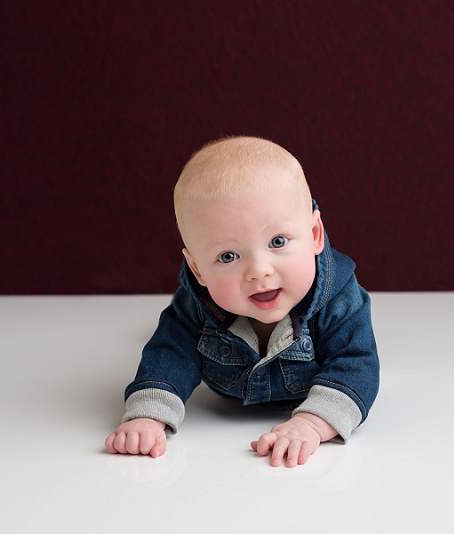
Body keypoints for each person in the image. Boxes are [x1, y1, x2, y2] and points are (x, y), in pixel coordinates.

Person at [105, 136, 379, 467]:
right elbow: (169, 354)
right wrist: (147, 417)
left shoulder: (340, 300)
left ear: (315, 234)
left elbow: (356, 363)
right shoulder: (197, 305)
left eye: (277, 241)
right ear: (198, 269)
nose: (259, 271)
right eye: (228, 256)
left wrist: (312, 423)